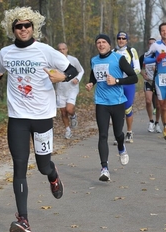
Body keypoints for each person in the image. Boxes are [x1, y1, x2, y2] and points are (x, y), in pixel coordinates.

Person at [0, 6, 78, 232]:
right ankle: (23, 220)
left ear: (33, 27)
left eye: (27, 25)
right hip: (17, 118)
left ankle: (53, 175)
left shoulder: (45, 51)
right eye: (18, 26)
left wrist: (63, 76)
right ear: (12, 29)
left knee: (42, 165)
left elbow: (73, 69)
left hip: (43, 117)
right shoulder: (5, 53)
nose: (23, 29)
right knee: (19, 166)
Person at [85, 34, 138, 182]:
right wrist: (91, 83)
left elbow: (133, 77)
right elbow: (94, 75)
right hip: (101, 102)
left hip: (117, 102)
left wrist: (117, 80)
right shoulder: (94, 60)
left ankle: (121, 147)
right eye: (98, 42)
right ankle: (104, 169)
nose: (101, 45)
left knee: (118, 134)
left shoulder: (118, 58)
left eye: (103, 42)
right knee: (103, 135)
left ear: (109, 45)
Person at [114, 31, 141, 143]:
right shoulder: (113, 52)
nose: (121, 40)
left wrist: (126, 74)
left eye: (123, 38)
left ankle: (129, 132)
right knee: (117, 110)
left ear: (126, 40)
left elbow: (138, 69)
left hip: (128, 83)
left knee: (127, 108)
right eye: (119, 38)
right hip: (117, 83)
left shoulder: (131, 51)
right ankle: (119, 135)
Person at [55, 42, 85, 139]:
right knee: (63, 112)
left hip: (72, 88)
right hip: (60, 90)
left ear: (67, 49)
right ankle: (68, 130)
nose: (62, 51)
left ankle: (73, 115)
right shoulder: (54, 61)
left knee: (69, 109)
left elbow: (81, 70)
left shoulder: (73, 60)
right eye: (60, 49)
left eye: (64, 49)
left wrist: (78, 79)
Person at [139, 37, 162, 133]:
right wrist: (143, 74)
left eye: (153, 43)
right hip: (148, 81)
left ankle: (157, 123)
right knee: (148, 101)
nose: (151, 45)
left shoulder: (160, 56)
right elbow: (137, 68)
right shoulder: (144, 56)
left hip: (157, 81)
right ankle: (151, 121)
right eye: (150, 43)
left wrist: (157, 70)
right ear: (148, 45)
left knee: (158, 104)